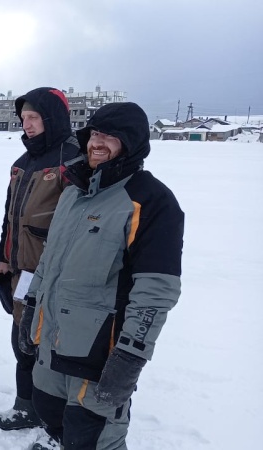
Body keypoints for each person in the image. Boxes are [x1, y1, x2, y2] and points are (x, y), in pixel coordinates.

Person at [18, 102, 184, 450]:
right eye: (95, 133)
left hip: (99, 351)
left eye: (111, 137)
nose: (98, 142)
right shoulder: (73, 193)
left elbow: (155, 290)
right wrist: (31, 304)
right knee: (50, 410)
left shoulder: (150, 201)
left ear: (133, 142)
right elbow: (49, 261)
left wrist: (130, 355)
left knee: (92, 434)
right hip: (53, 338)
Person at [0, 87, 80, 430]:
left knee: (51, 349)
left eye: (34, 118)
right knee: (22, 342)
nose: (27, 125)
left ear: (52, 118)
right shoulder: (22, 163)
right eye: (23, 118)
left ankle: (54, 419)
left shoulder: (73, 159)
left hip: (56, 274)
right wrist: (2, 256)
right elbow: (11, 218)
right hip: (21, 270)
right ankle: (25, 407)